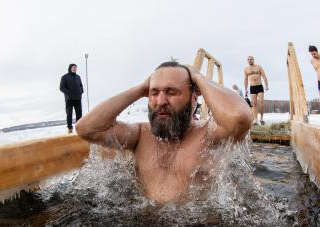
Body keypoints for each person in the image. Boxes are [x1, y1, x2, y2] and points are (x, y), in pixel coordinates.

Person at [76, 61, 252, 203]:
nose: (160, 101)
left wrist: (198, 78)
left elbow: (239, 118)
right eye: (154, 93)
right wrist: (140, 89)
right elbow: (87, 129)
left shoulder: (208, 135)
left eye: (171, 92)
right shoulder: (139, 135)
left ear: (193, 98)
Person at [243, 56, 269, 125]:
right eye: (248, 59)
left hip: (259, 86)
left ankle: (261, 118)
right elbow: (245, 79)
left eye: (251, 59)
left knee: (261, 103)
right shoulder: (246, 69)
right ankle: (255, 120)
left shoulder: (258, 67)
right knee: (253, 104)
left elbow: (264, 76)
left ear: (253, 60)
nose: (249, 60)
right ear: (247, 61)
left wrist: (266, 85)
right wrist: (245, 89)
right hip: (252, 87)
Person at [60, 63, 84, 133]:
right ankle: (70, 128)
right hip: (69, 99)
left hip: (78, 98)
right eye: (73, 67)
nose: (75, 69)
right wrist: (69, 93)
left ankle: (79, 127)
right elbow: (61, 88)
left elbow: (81, 86)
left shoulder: (78, 77)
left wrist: (81, 91)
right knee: (69, 113)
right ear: (70, 68)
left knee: (79, 113)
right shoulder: (64, 77)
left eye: (76, 68)